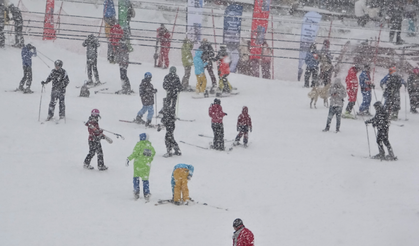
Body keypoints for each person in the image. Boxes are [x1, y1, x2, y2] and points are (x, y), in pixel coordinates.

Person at [126, 132, 156, 200]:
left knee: (136, 178)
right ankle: (147, 193)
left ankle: (136, 192)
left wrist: (129, 158)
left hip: (138, 164)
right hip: (146, 165)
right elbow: (153, 153)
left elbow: (134, 153)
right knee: (145, 179)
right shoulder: (149, 146)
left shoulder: (139, 145)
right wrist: (149, 160)